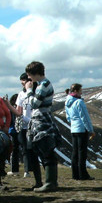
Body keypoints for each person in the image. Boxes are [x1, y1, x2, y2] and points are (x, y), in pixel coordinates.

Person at [25, 61, 61, 192]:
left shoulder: (43, 85)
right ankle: (50, 181)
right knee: (45, 149)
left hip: (41, 120)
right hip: (42, 118)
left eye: (30, 75)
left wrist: (29, 90)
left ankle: (50, 182)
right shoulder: (43, 84)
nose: (29, 78)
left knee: (46, 149)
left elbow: (34, 103)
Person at [16, 73, 42, 188]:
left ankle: (46, 179)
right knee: (28, 150)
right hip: (26, 127)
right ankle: (32, 175)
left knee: (39, 151)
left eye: (24, 82)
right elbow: (18, 110)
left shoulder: (37, 92)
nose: (24, 84)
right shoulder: (21, 94)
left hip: (37, 125)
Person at [65, 83, 95, 180]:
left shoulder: (67, 102)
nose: (82, 92)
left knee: (75, 152)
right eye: (80, 90)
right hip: (81, 129)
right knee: (82, 152)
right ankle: (83, 174)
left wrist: (73, 123)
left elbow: (68, 117)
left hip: (73, 129)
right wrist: (90, 130)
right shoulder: (79, 102)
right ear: (76, 91)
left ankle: (75, 174)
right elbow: (85, 117)